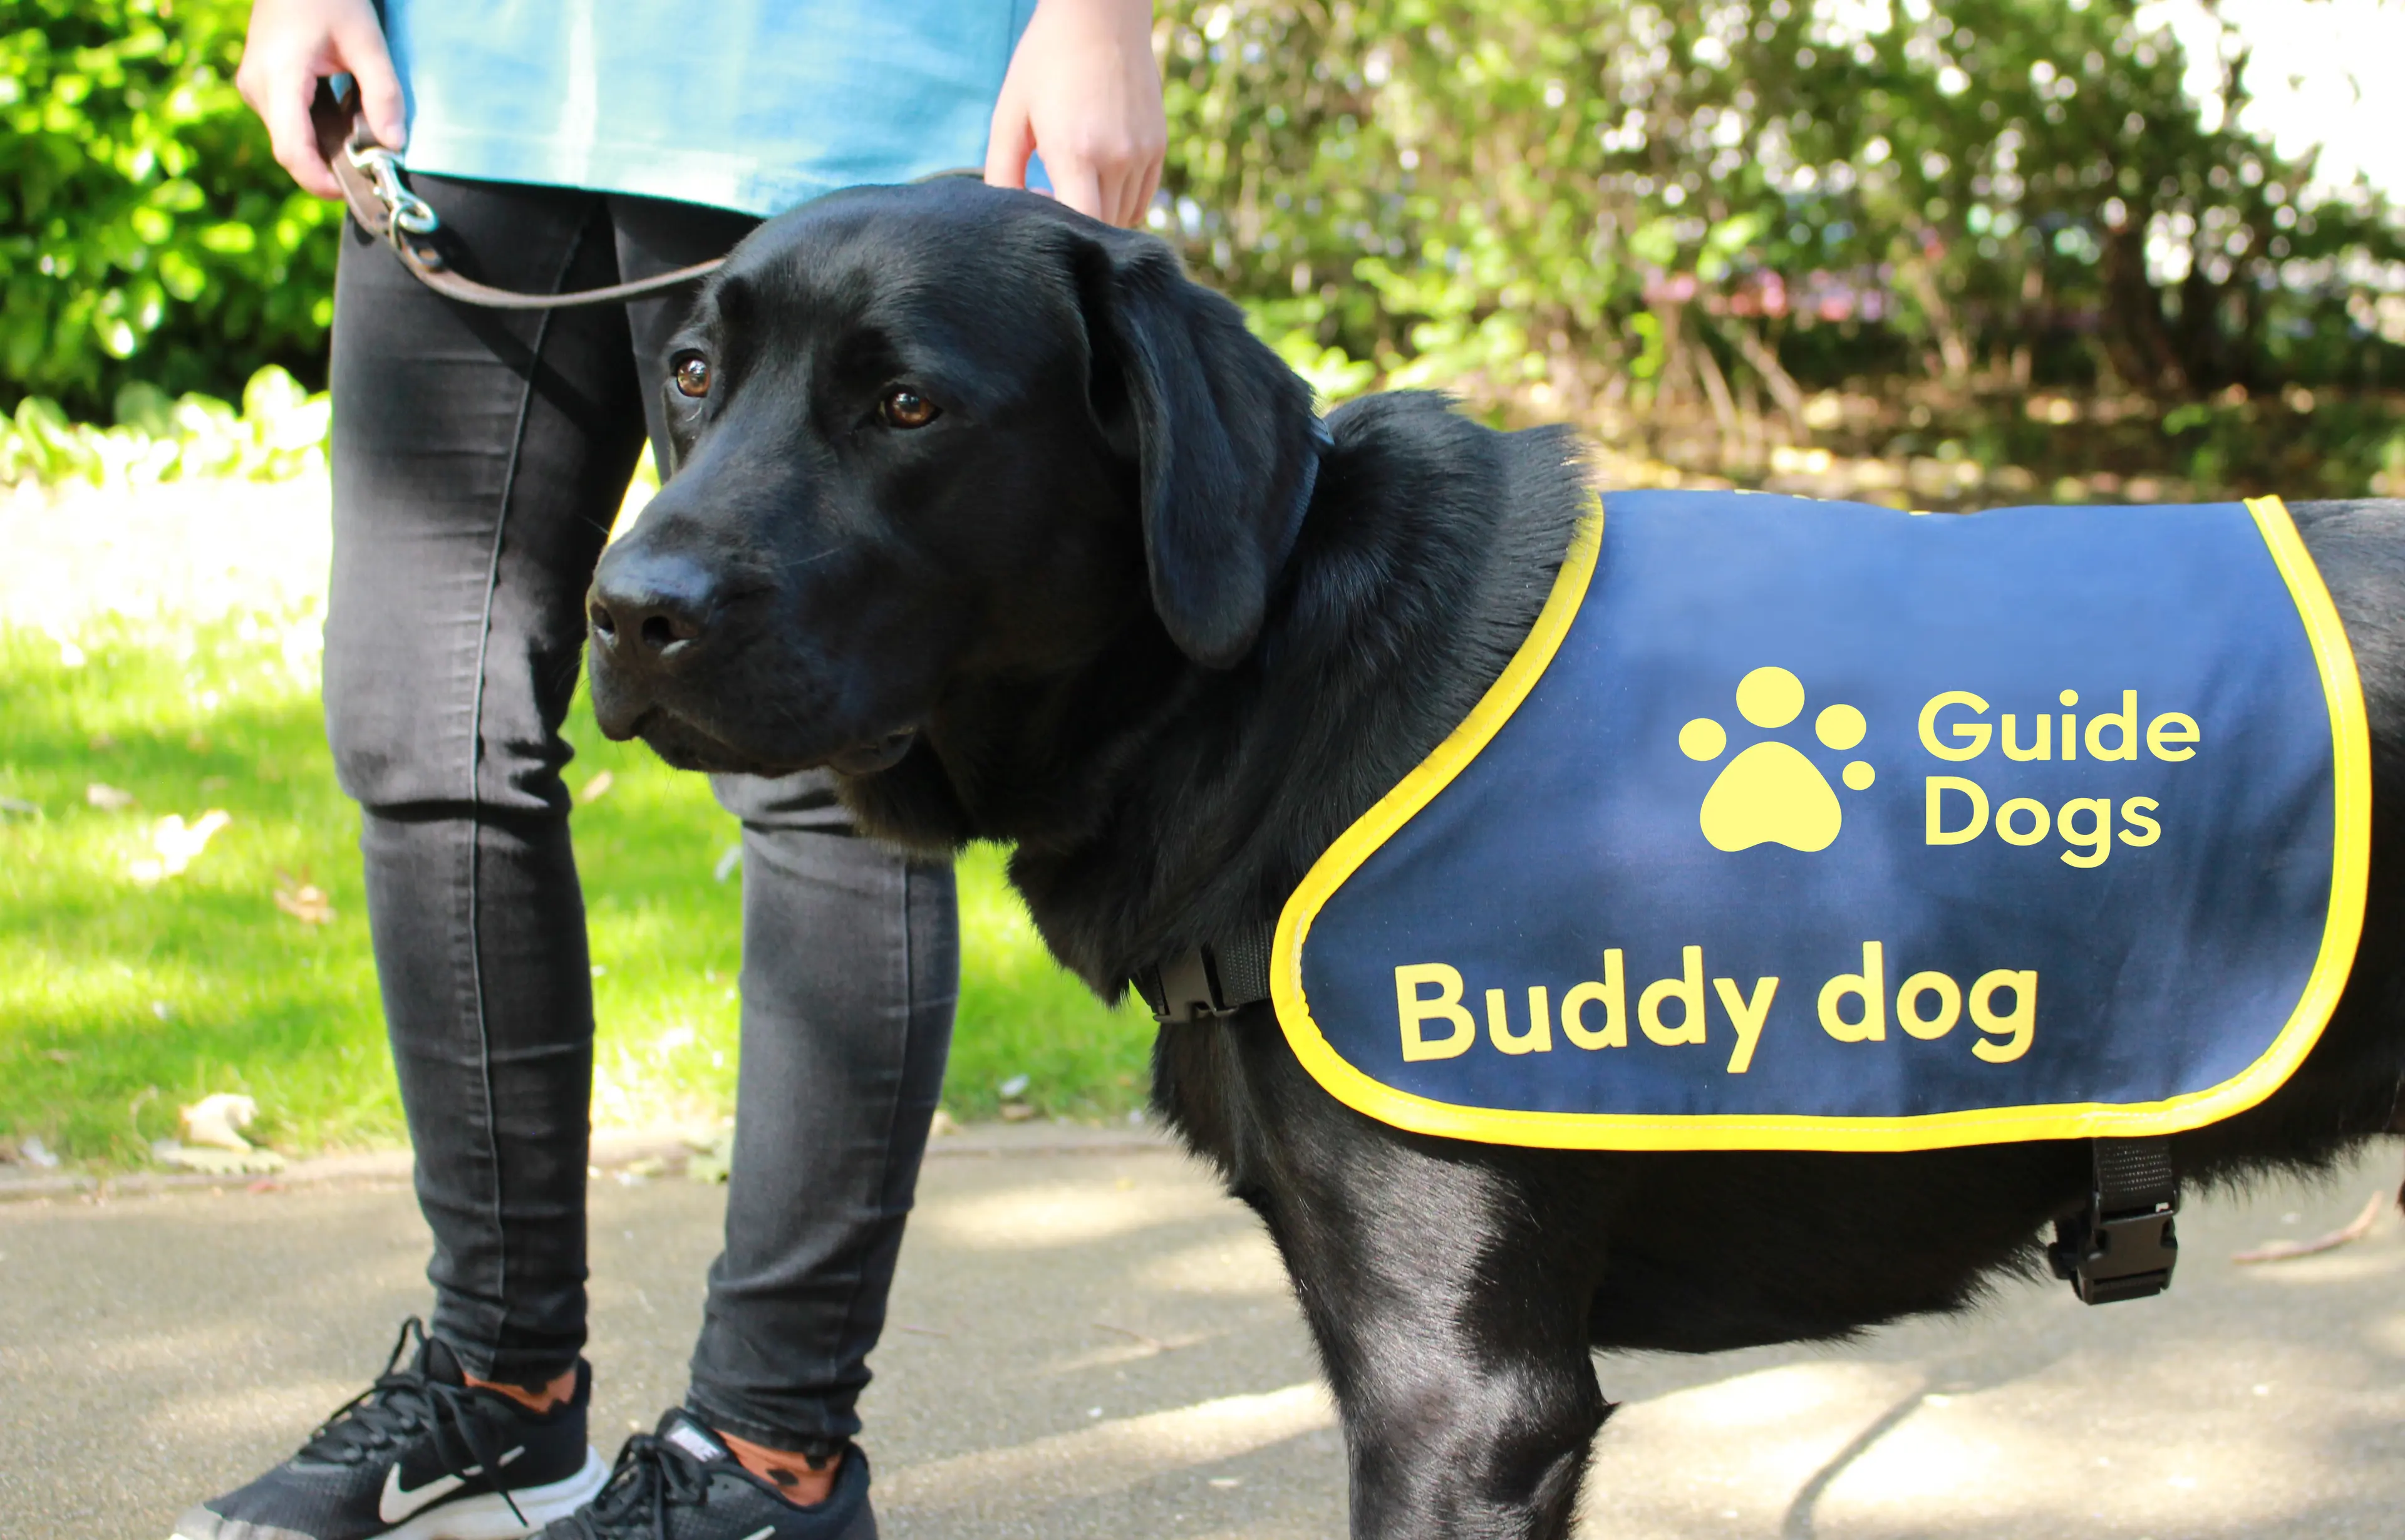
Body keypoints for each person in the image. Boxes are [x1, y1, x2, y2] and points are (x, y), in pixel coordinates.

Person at [171, 4, 1164, 1538]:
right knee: (416, 718)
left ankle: (766, 1457)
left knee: (825, 756)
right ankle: (500, 1388)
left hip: (830, 83)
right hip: (464, 92)